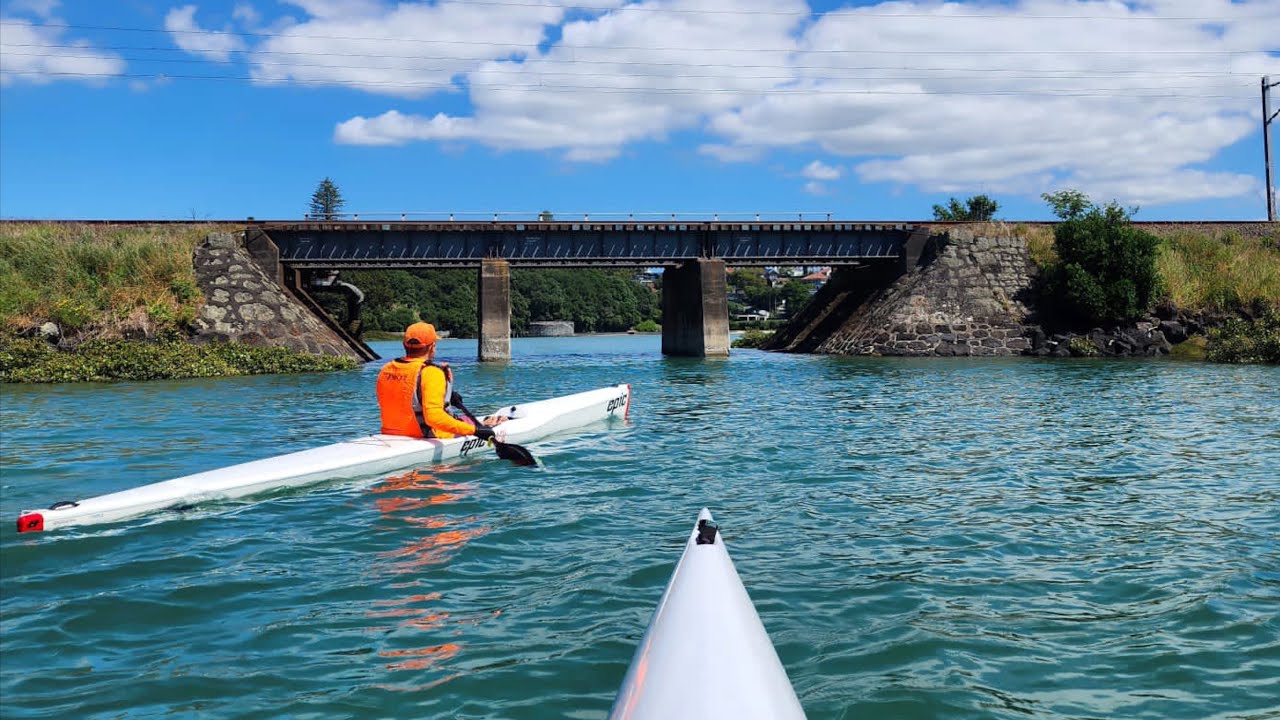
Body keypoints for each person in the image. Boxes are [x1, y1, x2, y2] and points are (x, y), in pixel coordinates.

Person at [376, 322, 502, 440]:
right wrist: (474, 431)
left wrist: (446, 393)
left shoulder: (386, 369)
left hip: (391, 434)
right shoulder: (432, 372)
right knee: (478, 431)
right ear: (432, 347)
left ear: (404, 345)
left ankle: (483, 422)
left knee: (466, 420)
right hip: (428, 436)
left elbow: (406, 394)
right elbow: (434, 418)